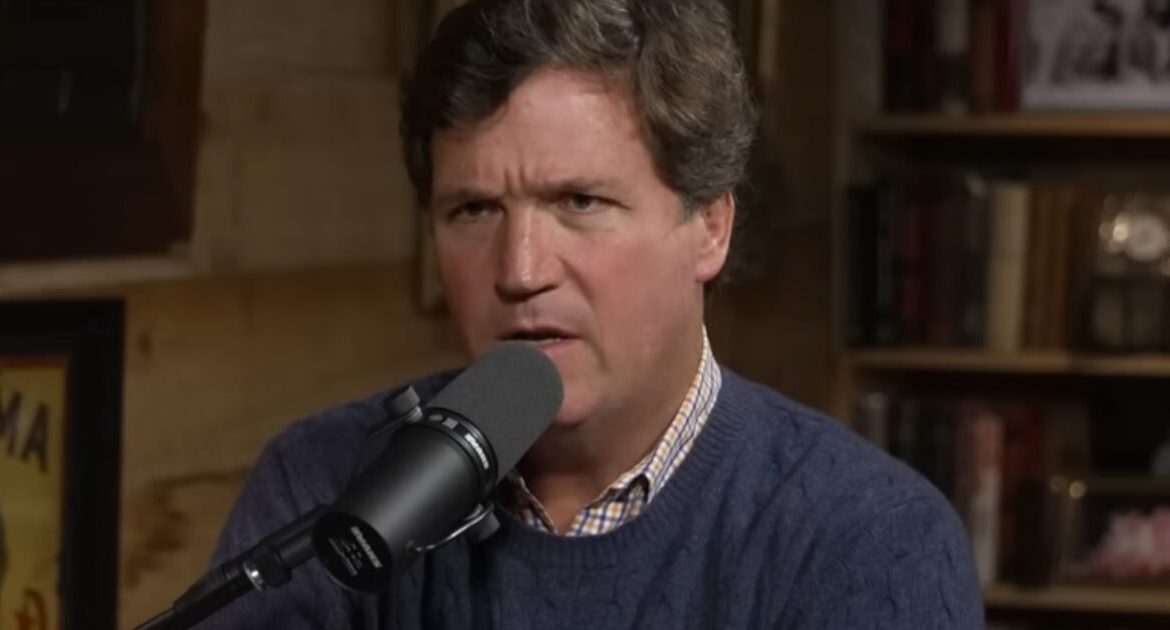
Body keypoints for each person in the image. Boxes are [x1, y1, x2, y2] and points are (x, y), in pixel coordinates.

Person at [208, 0, 982, 627]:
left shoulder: (870, 540)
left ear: (711, 226)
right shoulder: (323, 485)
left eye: (579, 202)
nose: (520, 271)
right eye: (474, 210)